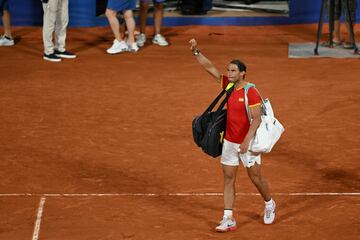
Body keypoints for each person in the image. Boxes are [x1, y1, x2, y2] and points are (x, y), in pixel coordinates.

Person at [189, 38, 276, 232]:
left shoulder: (250, 92)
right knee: (228, 178)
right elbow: (210, 68)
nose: (229, 74)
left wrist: (245, 141)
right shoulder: (228, 86)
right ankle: (228, 218)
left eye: (233, 71)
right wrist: (196, 52)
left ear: (242, 73)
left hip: (248, 142)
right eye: (228, 70)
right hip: (229, 141)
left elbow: (256, 120)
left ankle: (269, 203)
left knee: (256, 178)